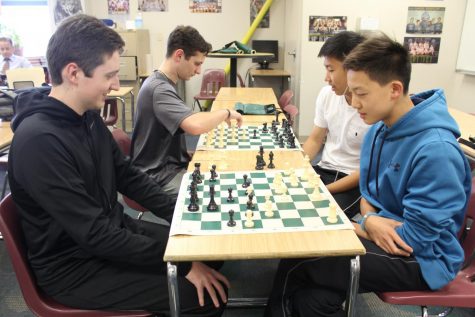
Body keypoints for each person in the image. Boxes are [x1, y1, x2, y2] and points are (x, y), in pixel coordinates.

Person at [8, 14, 229, 316]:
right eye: (109, 75)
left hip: (109, 234)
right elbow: (95, 235)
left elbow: (126, 174)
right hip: (75, 268)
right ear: (74, 73)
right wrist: (182, 262)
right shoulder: (39, 143)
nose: (115, 85)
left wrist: (178, 214)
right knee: (206, 296)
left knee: (209, 252)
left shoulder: (85, 117)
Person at [265, 33, 472, 317]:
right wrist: (370, 220)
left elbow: (416, 239)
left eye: (361, 94)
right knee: (315, 299)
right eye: (351, 93)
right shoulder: (377, 129)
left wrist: (361, 224)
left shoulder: (436, 151)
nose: (354, 103)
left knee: (305, 258)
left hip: (423, 260)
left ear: (395, 89)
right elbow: (369, 193)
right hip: (385, 236)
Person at [131, 25, 242, 201]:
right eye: (197, 63)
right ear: (179, 55)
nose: (198, 71)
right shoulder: (159, 89)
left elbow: (192, 118)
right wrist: (226, 113)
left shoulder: (163, 83)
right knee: (217, 196)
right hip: (156, 175)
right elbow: (195, 126)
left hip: (168, 165)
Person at [302, 31, 370, 219]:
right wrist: (298, 166)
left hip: (353, 182)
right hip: (323, 169)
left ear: (352, 68)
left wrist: (326, 189)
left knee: (317, 217)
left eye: (331, 70)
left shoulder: (372, 109)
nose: (326, 78)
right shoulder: (326, 94)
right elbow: (315, 139)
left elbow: (367, 171)